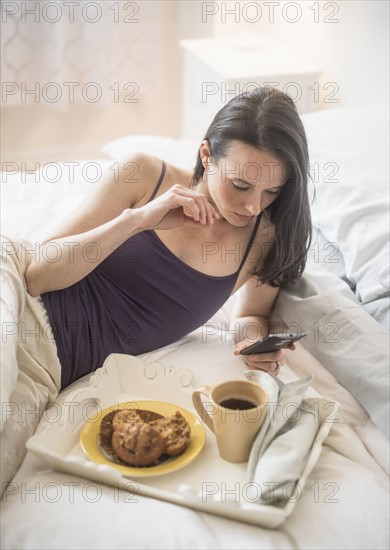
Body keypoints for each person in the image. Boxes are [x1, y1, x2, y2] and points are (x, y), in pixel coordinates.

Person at [0, 86, 311, 489]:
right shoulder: (145, 175)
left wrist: (257, 348)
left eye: (271, 192)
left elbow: (251, 313)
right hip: (19, 301)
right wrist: (137, 220)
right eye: (240, 185)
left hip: (51, 369)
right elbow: (38, 274)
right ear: (206, 156)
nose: (252, 206)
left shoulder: (265, 240)